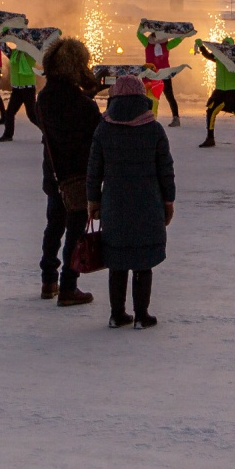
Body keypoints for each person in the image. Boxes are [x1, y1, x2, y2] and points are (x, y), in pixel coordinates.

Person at [87, 73, 176, 328]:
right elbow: (166, 170)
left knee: (116, 261)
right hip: (148, 204)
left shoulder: (104, 129)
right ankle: (141, 315)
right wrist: (168, 201)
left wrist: (93, 200)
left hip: (114, 204)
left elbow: (94, 170)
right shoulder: (154, 129)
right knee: (143, 262)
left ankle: (117, 314)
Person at [38, 38, 101, 305]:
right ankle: (68, 287)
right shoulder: (83, 106)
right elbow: (97, 133)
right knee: (75, 232)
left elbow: (64, 112)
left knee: (54, 225)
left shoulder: (44, 97)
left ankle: (49, 280)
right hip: (76, 176)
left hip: (53, 174)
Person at [199, 36, 235, 148]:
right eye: (224, 44)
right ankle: (210, 138)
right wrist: (201, 47)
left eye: (227, 45)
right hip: (220, 90)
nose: (225, 47)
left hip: (234, 90)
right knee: (211, 110)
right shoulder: (219, 55)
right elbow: (209, 56)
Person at [136, 21, 187, 126]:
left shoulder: (161, 44)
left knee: (169, 96)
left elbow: (177, 40)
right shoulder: (150, 43)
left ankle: (175, 118)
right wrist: (142, 24)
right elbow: (139, 34)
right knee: (149, 97)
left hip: (163, 73)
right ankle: (149, 117)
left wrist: (184, 34)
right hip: (151, 74)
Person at [0, 38, 41, 142]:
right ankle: (8, 135)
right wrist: (1, 35)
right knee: (9, 113)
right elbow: (2, 46)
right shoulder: (14, 53)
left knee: (32, 115)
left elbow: (40, 50)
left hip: (28, 88)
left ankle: (47, 133)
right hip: (17, 89)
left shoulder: (31, 53)